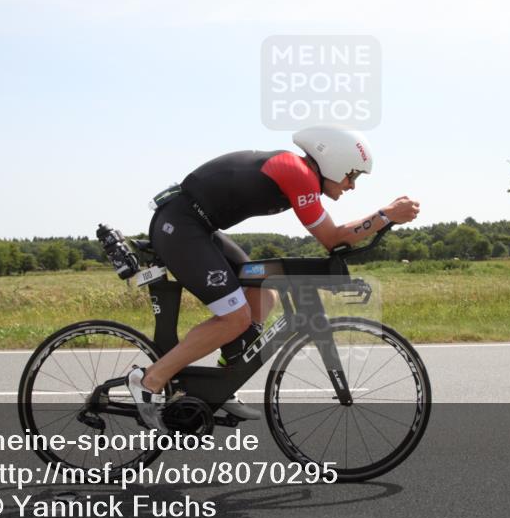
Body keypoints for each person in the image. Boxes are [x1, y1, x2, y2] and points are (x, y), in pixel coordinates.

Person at [127, 125, 421, 433]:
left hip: (200, 225)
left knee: (262, 293)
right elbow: (333, 239)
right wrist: (385, 215)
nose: (351, 186)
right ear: (334, 162)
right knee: (234, 318)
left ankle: (221, 383)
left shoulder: (300, 174)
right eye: (352, 175)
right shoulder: (298, 173)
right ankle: (149, 380)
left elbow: (337, 240)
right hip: (181, 225)